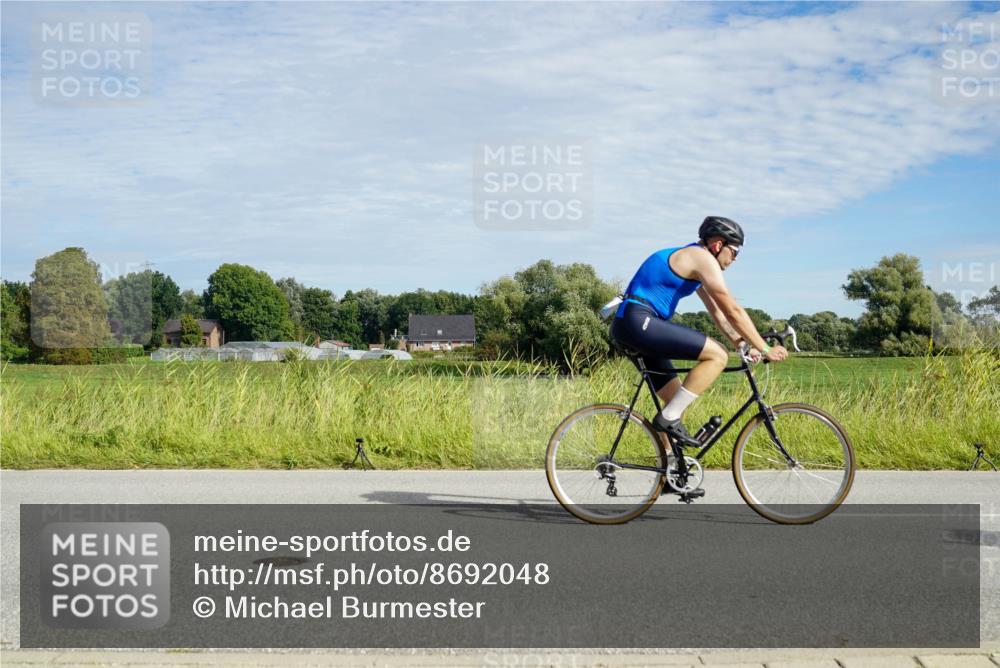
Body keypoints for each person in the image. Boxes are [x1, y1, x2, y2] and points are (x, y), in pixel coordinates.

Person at [609, 216, 788, 446]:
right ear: (717, 245)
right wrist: (765, 348)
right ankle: (667, 419)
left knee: (675, 402)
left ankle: (670, 474)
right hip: (639, 321)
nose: (735, 258)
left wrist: (742, 344)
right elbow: (733, 309)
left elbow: (719, 314)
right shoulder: (701, 258)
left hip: (631, 326)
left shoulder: (694, 261)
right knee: (717, 355)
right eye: (734, 251)